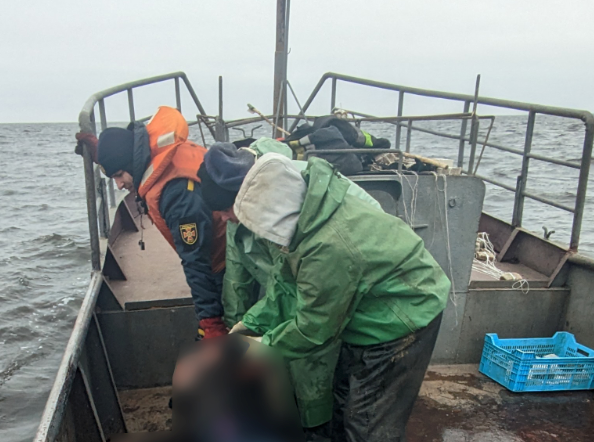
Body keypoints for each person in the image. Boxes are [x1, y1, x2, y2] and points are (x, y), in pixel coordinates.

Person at [227, 153, 451, 442]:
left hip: (405, 313)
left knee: (368, 423)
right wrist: (250, 324)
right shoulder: (309, 218)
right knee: (343, 402)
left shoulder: (327, 246)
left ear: (277, 217)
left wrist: (263, 348)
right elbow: (286, 285)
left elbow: (314, 328)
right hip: (367, 309)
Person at [196, 139, 382, 434]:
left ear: (245, 198)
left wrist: (261, 347)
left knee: (320, 373)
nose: (222, 218)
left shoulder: (289, 205)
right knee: (292, 359)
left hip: (353, 294)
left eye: (225, 209)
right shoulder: (241, 216)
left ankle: (318, 427)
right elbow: (239, 279)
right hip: (305, 295)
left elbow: (309, 313)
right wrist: (238, 330)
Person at [75, 106, 228, 339]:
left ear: (130, 163)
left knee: (229, 325)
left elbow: (196, 260)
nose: (119, 185)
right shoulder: (155, 155)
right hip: (220, 244)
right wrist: (107, 153)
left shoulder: (177, 194)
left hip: (225, 262)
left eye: (119, 175)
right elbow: (131, 157)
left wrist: (210, 322)